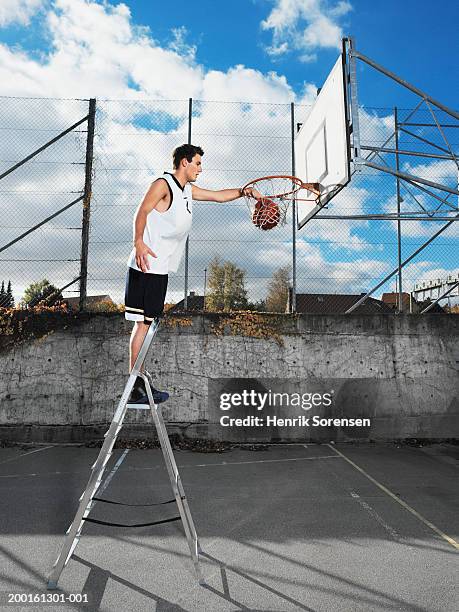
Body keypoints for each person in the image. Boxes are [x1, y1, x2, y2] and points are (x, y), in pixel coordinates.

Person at [124, 143, 259, 404]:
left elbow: (218, 196)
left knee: (149, 325)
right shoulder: (163, 184)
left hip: (159, 268)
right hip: (145, 264)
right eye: (197, 163)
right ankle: (135, 384)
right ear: (184, 162)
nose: (200, 168)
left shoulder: (186, 191)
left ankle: (138, 380)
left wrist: (244, 192)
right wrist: (138, 241)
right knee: (143, 324)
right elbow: (141, 211)